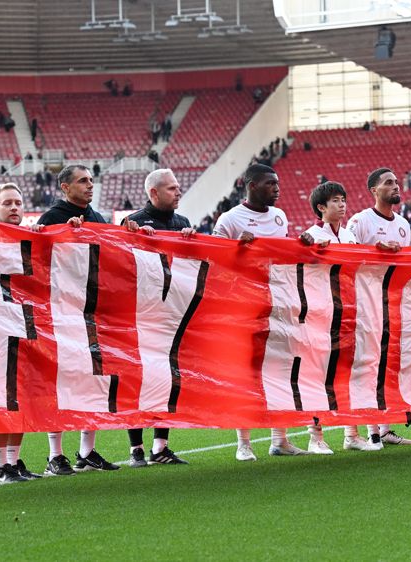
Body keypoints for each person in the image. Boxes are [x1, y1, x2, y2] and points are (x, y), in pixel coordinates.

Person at [214, 164, 316, 461]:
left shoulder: (280, 216)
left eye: (278, 183)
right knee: (246, 373)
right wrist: (237, 248)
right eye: (270, 183)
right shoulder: (230, 219)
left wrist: (302, 245)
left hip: (278, 302)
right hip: (244, 304)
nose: (277, 188)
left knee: (281, 369)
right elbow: (216, 261)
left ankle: (279, 439)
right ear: (251, 185)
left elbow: (282, 254)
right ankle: (243, 443)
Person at [37, 165, 120, 475]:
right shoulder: (52, 218)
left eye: (91, 180)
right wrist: (66, 235)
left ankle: (86, 451)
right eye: (82, 181)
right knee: (60, 381)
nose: (89, 186)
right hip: (61, 311)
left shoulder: (97, 218)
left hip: (93, 311)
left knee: (94, 380)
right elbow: (41, 261)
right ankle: (54, 455)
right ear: (64, 187)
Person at [120, 169, 196, 468]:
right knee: (137, 379)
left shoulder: (183, 223)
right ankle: (136, 449)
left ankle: (161, 447)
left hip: (172, 313)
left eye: (178, 188)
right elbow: (120, 263)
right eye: (171, 188)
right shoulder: (135, 222)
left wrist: (190, 241)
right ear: (154, 193)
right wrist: (135, 238)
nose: (178, 192)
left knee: (170, 378)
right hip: (140, 314)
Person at [0, 183, 48, 482]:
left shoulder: (31, 238)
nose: (15, 207)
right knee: (1, 396)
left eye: (18, 202)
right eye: (7, 203)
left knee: (23, 395)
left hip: (24, 324)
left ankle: (14, 461)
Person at [301, 181, 377, 454]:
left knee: (349, 372)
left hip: (349, 311)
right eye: (335, 200)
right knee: (320, 374)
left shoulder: (349, 236)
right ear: (321, 207)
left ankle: (351, 433)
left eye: (343, 199)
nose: (342, 204)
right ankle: (315, 436)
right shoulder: (309, 235)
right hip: (322, 312)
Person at [345, 167, 411, 448]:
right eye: (389, 183)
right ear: (374, 191)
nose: (396, 186)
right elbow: (346, 251)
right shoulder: (361, 221)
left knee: (389, 363)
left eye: (397, 182)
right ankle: (370, 430)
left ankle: (385, 429)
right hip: (364, 305)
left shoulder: (403, 224)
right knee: (367, 364)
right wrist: (376, 249)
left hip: (393, 304)